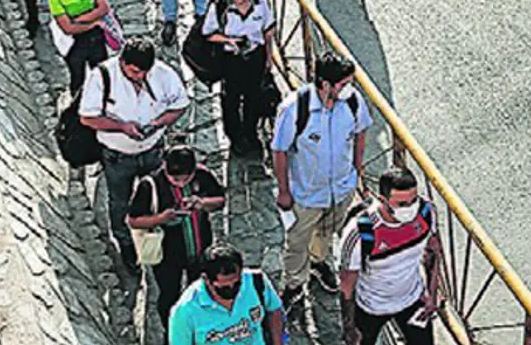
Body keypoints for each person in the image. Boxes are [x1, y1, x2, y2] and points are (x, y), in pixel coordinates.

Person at [270, 52, 372, 312]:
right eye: (343, 83)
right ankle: (294, 284)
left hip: (340, 189)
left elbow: (361, 131)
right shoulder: (295, 108)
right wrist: (283, 191)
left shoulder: (352, 102)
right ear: (325, 84)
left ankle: (318, 262)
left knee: (327, 231)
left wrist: (356, 169)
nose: (348, 88)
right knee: (297, 242)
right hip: (306, 194)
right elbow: (280, 150)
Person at [79, 37, 190, 269]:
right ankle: (126, 244)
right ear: (122, 62)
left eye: (144, 73)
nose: (140, 77)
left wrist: (158, 123)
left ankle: (158, 240)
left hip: (153, 150)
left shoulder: (164, 74)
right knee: (120, 202)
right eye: (134, 72)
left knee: (157, 197)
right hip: (118, 155)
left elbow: (180, 105)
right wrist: (122, 127)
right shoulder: (102, 77)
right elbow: (87, 117)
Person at [127, 148, 226, 336]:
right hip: (167, 257)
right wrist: (160, 219)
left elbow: (220, 200)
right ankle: (173, 331)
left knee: (200, 292)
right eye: (175, 179)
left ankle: (198, 328)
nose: (181, 183)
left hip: (199, 249)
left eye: (185, 179)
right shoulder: (150, 185)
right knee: (169, 297)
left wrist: (202, 204)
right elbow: (133, 220)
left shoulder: (203, 176)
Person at [339, 167, 442, 345]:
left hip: (412, 300)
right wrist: (349, 327)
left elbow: (433, 253)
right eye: (402, 205)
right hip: (371, 308)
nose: (410, 209)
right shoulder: (360, 232)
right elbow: (347, 285)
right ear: (382, 200)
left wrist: (432, 295)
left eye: (413, 200)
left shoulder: (426, 212)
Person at [201, 0, 275, 156]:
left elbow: (268, 33)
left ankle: (251, 133)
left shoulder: (261, 6)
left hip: (255, 58)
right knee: (231, 99)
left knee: (254, 96)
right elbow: (208, 34)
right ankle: (235, 136)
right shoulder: (220, 8)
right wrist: (230, 40)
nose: (240, 1)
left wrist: (269, 57)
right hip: (231, 59)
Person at [169, 243, 286, 345]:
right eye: (224, 288)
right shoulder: (185, 310)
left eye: (237, 284)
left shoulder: (256, 282)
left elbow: (275, 310)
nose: (232, 291)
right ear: (206, 280)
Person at [45, 0, 110, 94]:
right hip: (75, 45)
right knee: (77, 80)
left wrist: (79, 20)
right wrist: (92, 23)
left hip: (97, 38)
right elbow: (67, 28)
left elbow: (103, 7)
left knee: (102, 76)